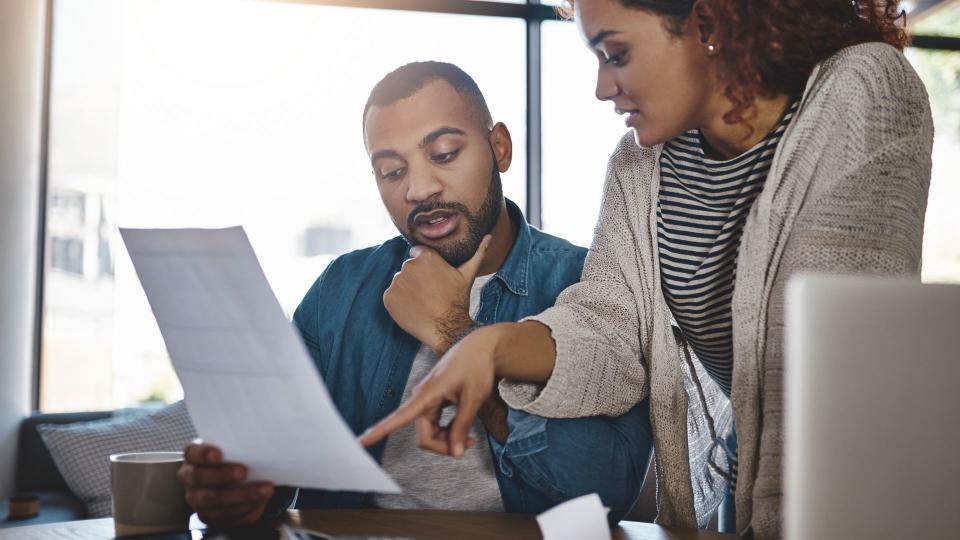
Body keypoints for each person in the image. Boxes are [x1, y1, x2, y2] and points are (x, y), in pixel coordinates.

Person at [360, 2, 933, 538]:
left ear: (709, 23)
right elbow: (612, 330)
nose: (601, 88)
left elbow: (826, 369)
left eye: (616, 55)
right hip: (745, 480)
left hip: (853, 497)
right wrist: (487, 347)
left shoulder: (861, 88)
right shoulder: (638, 163)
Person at [176, 61, 653, 527]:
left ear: (500, 149)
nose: (419, 189)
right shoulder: (340, 289)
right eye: (391, 171)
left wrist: (454, 329)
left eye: (444, 153)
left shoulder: (588, 286)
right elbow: (275, 469)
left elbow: (604, 494)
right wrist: (239, 490)